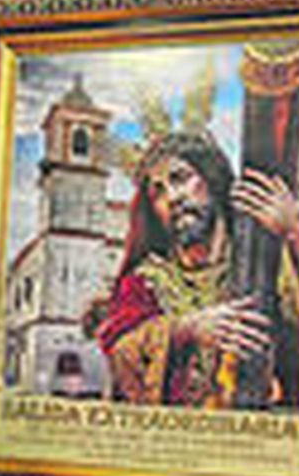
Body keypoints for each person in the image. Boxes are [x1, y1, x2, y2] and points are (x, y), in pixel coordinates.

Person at [88, 130, 275, 407]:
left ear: (211, 179)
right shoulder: (146, 282)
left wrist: (298, 235)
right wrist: (184, 330)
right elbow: (120, 359)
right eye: (158, 192)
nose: (172, 198)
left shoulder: (259, 260)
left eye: (180, 178)